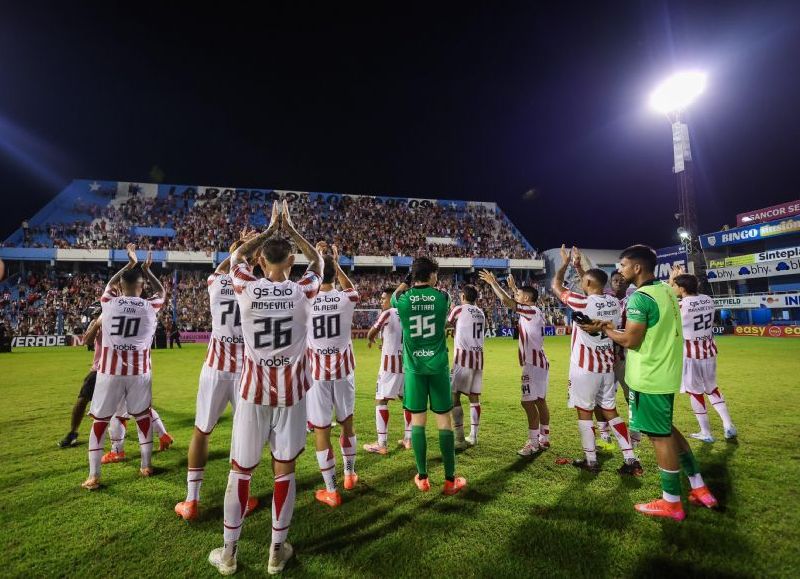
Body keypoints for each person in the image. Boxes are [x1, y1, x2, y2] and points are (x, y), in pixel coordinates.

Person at [208, 201, 322, 575]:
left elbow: (236, 254)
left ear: (261, 262)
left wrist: (268, 227)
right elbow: (319, 263)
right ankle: (276, 551)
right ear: (291, 263)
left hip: (252, 393)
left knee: (240, 472)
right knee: (283, 471)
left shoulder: (246, 287)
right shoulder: (303, 290)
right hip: (291, 395)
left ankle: (228, 554)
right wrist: (290, 227)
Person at [582, 245, 718, 520]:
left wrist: (605, 328)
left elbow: (632, 340)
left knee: (659, 436)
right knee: (666, 428)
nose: (618, 271)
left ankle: (671, 502)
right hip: (666, 371)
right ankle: (698, 486)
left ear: (637, 267)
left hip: (650, 376)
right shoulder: (666, 290)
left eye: (622, 265)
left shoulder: (639, 299)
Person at [175, 232, 256, 521]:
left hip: (214, 367)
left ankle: (191, 500)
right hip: (245, 369)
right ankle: (241, 500)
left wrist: (239, 247)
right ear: (252, 262)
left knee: (202, 430)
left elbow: (223, 269)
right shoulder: (255, 287)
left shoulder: (215, 282)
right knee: (242, 433)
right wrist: (249, 253)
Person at [552, 245, 642, 476]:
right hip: (606, 367)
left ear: (589, 284)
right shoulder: (613, 302)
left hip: (585, 368)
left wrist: (564, 265)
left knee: (584, 411)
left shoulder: (583, 303)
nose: (580, 284)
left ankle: (590, 460)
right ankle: (631, 459)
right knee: (611, 411)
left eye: (583, 282)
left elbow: (556, 287)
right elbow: (592, 286)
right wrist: (580, 267)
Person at [81, 244, 165, 490]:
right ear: (141, 287)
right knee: (142, 419)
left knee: (99, 422)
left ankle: (94, 476)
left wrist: (129, 264)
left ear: (120, 287)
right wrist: (148, 271)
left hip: (110, 372)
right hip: (139, 373)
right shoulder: (151, 306)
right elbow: (162, 291)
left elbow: (110, 284)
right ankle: (146, 465)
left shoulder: (108, 302)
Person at [392, 257, 467, 495]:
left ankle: (423, 477)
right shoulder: (442, 298)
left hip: (414, 369)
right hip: (438, 367)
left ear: (414, 276)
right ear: (432, 274)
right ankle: (449, 480)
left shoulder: (402, 300)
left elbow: (395, 296)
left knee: (418, 422)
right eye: (436, 274)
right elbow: (440, 302)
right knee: (444, 421)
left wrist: (407, 282)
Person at [306, 243, 360, 508]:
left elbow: (303, 284)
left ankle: (331, 489)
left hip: (317, 375)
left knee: (321, 431)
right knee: (347, 424)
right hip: (343, 372)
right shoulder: (346, 298)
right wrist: (334, 263)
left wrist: (317, 260)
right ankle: (350, 475)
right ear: (335, 272)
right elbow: (351, 289)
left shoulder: (305, 299)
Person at [480, 270, 551, 455]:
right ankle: (544, 437)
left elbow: (507, 302)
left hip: (532, 364)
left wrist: (493, 283)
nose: (515, 296)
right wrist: (513, 287)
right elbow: (516, 299)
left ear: (526, 299)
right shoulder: (534, 311)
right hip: (540, 362)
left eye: (519, 295)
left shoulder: (530, 311)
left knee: (527, 402)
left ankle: (533, 443)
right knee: (540, 401)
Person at [669, 266, 737, 442]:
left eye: (677, 286)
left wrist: (672, 279)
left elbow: (668, 298)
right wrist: (682, 278)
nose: (674, 288)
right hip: (709, 350)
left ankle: (706, 432)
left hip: (690, 355)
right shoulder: (708, 299)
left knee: (695, 392)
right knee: (712, 388)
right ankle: (728, 424)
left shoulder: (680, 305)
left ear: (682, 289)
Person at [363, 288, 411, 454]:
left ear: (392, 300)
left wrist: (371, 339)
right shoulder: (408, 313)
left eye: (384, 298)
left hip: (389, 366)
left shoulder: (388, 313)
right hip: (406, 363)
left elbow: (371, 332)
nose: (381, 301)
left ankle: (381, 443)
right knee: (407, 401)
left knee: (381, 400)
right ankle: (408, 438)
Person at [447, 284, 485, 448]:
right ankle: (474, 436)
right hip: (478, 357)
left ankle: (460, 438)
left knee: (453, 396)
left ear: (463, 297)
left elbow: (447, 324)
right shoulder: (481, 312)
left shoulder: (459, 309)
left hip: (463, 358)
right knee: (474, 397)